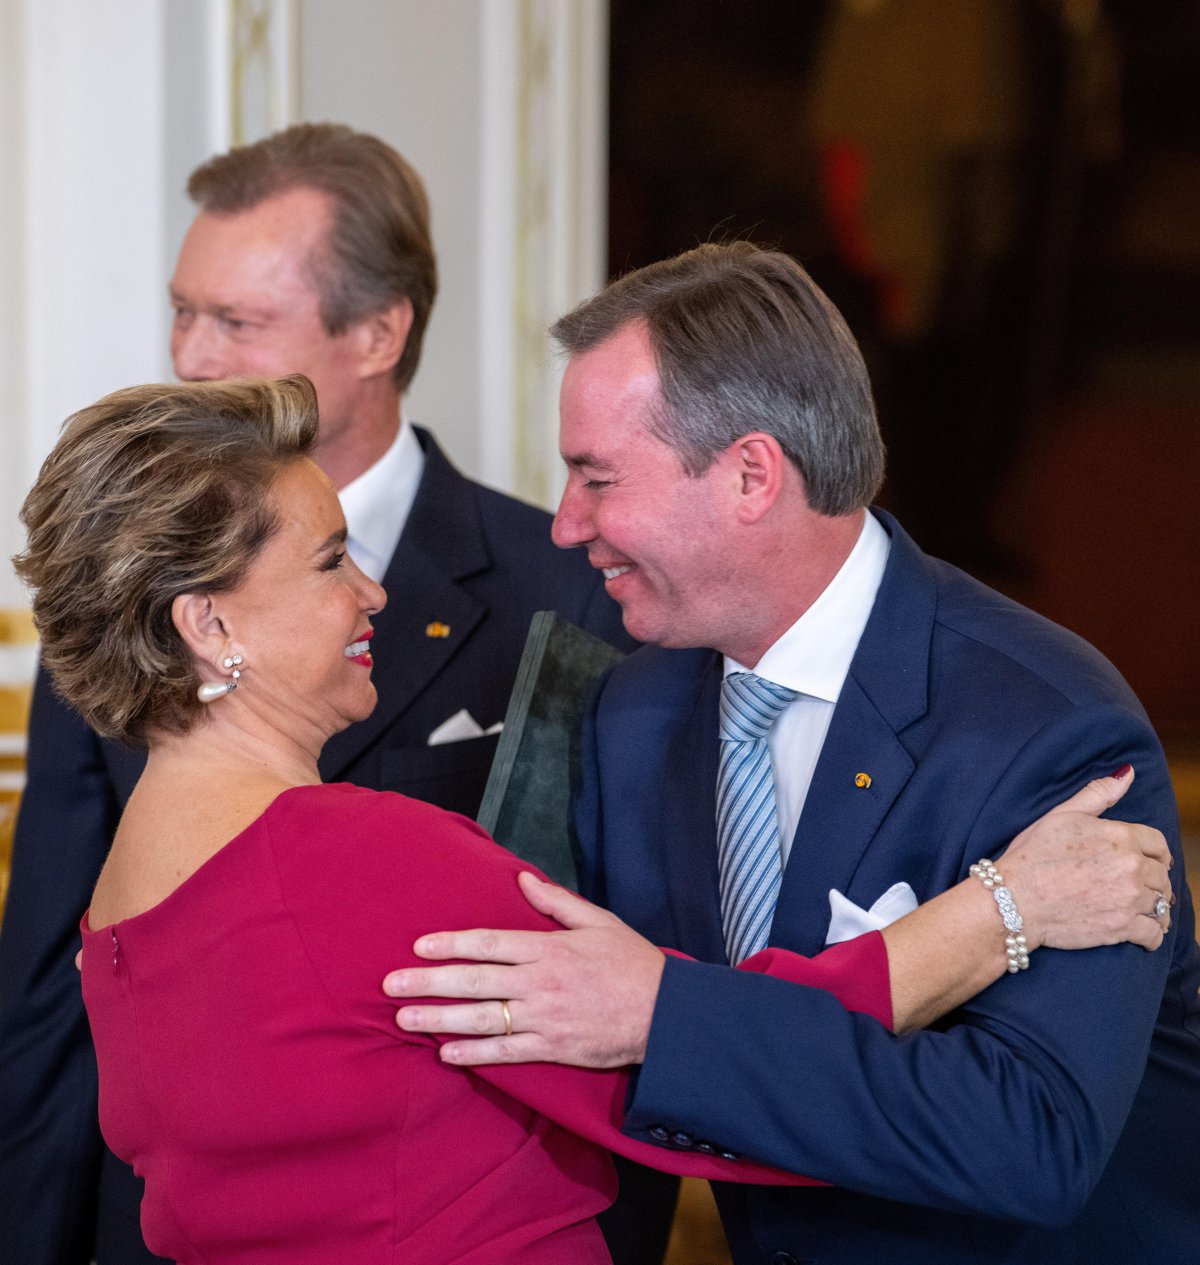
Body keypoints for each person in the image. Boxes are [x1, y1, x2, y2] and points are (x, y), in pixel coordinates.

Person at [11, 375, 1172, 1265]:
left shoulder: (119, 905)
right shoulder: (350, 861)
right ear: (209, 625)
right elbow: (693, 1053)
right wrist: (1004, 910)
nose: (372, 590)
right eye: (329, 561)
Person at [386, 242, 1200, 1264]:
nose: (565, 525)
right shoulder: (630, 712)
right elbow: (601, 1081)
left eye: (597, 478)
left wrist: (664, 1011)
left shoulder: (1048, 726)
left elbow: (1033, 1140)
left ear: (751, 475)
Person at [0, 124, 631, 1265]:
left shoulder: (566, 588)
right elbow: (51, 973)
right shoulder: (130, 578)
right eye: (182, 311)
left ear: (378, 331)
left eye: (236, 321)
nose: (191, 355)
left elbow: (624, 979)